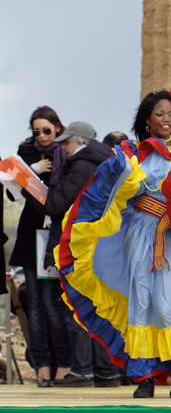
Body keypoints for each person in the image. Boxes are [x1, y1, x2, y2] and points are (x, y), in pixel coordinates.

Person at [58, 90, 171, 398]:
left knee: (168, 304)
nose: (167, 119)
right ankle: (144, 377)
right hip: (139, 233)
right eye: (159, 114)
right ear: (146, 119)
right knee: (141, 301)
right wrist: (124, 177)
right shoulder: (131, 152)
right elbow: (113, 188)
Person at [40, 122, 117, 388]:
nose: (63, 147)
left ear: (78, 142)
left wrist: (31, 189)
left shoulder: (83, 166)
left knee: (77, 309)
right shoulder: (105, 162)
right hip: (103, 247)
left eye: (66, 142)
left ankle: (83, 370)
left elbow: (55, 204)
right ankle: (107, 371)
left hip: (79, 248)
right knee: (98, 308)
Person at [9, 106, 72, 387]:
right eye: (37, 131)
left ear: (58, 127)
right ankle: (42, 365)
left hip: (55, 232)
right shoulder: (26, 153)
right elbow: (12, 189)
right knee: (33, 303)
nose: (42, 136)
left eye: (47, 130)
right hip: (31, 229)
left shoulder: (68, 151)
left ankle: (64, 363)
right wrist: (33, 171)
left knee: (52, 302)